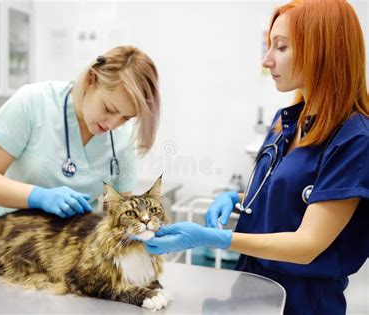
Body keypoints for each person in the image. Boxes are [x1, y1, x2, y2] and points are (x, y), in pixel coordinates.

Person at [143, 1, 369, 314]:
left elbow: (307, 245)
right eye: (269, 46)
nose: (266, 60)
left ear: (322, 49)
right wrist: (236, 197)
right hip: (252, 284)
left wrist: (215, 238)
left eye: (281, 47)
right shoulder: (286, 121)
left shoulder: (355, 139)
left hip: (302, 301)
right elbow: (287, 197)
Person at [0, 46, 160, 226]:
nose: (113, 124)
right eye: (109, 109)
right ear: (92, 79)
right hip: (7, 241)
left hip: (69, 253)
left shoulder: (123, 136)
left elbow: (120, 212)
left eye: (126, 118)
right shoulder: (33, 102)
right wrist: (38, 196)